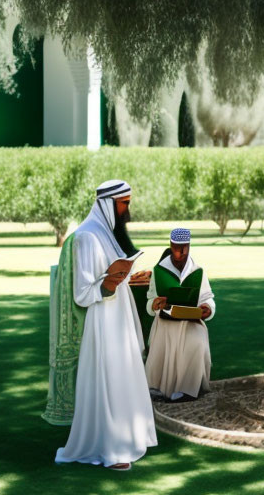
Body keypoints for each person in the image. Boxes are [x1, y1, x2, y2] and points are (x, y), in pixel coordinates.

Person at [52, 179, 157, 470]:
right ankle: (110, 449)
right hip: (102, 321)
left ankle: (129, 436)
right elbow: (83, 292)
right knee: (108, 378)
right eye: (124, 203)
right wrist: (108, 284)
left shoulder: (108, 234)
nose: (127, 209)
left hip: (119, 315)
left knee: (123, 374)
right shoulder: (87, 237)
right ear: (109, 204)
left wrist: (121, 275)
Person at [145, 228, 216, 402]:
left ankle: (188, 389)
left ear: (189, 246)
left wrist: (208, 308)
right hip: (166, 321)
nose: (181, 252)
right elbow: (150, 300)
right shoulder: (159, 270)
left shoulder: (197, 270)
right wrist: (154, 304)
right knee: (161, 341)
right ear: (171, 245)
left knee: (197, 342)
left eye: (184, 247)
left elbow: (208, 298)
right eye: (177, 247)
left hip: (191, 320)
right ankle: (156, 387)